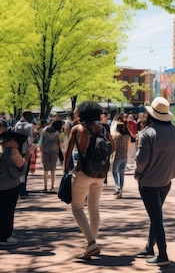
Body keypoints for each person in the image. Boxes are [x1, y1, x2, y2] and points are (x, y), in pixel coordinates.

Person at [135, 97, 175, 267]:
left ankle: (162, 253)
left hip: (148, 182)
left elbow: (141, 160)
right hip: (166, 181)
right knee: (155, 215)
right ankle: (150, 246)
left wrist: (138, 174)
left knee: (156, 217)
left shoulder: (147, 133)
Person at [64, 102, 115, 260]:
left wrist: (66, 170)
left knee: (77, 208)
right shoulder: (104, 129)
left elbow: (68, 152)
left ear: (83, 113)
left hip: (83, 173)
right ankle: (91, 243)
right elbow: (113, 147)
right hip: (99, 174)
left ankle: (91, 243)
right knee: (94, 208)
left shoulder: (77, 129)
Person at [0, 121, 26, 246]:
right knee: (8, 211)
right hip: (10, 185)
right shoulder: (13, 151)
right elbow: (21, 166)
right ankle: (6, 236)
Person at [14, 110, 34, 197]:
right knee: (24, 171)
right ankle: (23, 190)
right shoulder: (29, 126)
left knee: (17, 170)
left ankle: (18, 189)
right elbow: (31, 140)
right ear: (27, 116)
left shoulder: (17, 124)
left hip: (16, 150)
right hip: (25, 151)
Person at [41, 120, 63, 193]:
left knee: (45, 169)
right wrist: (62, 151)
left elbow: (41, 141)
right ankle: (52, 186)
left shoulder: (45, 130)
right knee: (53, 169)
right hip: (54, 152)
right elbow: (59, 143)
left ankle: (45, 187)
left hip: (45, 151)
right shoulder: (58, 132)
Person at [111, 123, 131, 199]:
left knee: (114, 172)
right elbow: (128, 148)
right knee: (121, 173)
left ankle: (117, 187)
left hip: (117, 156)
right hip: (124, 156)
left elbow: (112, 145)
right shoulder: (127, 137)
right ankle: (120, 190)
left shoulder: (115, 136)